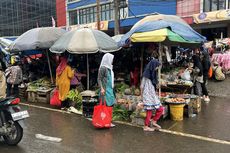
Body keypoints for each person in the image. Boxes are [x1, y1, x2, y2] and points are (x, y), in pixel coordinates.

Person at [140, 58, 163, 132]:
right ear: (153, 66)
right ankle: (146, 126)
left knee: (160, 109)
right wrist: (142, 97)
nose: (157, 68)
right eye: (156, 66)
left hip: (153, 95)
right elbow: (141, 86)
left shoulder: (153, 73)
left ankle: (154, 121)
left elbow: (154, 83)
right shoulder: (146, 75)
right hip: (147, 95)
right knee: (149, 111)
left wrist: (157, 87)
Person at [98, 53, 116, 127]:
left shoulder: (109, 69)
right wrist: (101, 88)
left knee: (110, 106)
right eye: (111, 59)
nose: (112, 61)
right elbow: (99, 79)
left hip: (110, 91)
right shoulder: (103, 68)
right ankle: (104, 121)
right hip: (105, 91)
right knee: (105, 107)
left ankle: (107, 121)